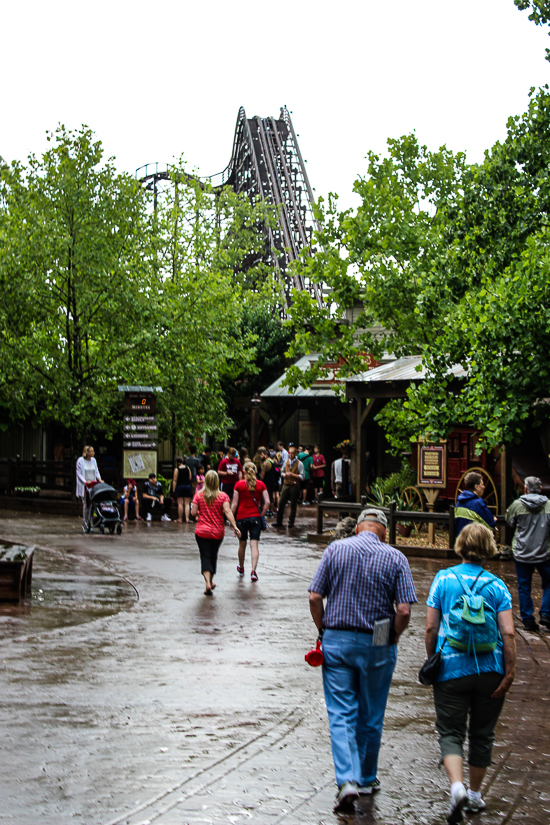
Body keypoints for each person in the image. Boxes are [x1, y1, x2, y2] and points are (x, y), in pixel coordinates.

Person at [309, 508, 417, 813]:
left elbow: (315, 598)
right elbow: (405, 611)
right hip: (378, 640)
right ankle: (367, 777)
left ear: (357, 529)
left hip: (338, 638)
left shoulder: (335, 549)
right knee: (372, 711)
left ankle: (347, 780)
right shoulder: (396, 557)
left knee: (341, 712)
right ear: (384, 532)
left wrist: (322, 628)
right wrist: (393, 636)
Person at [425, 523, 516, 823]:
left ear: (461, 545)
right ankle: (476, 795)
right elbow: (509, 633)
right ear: (489, 548)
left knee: (451, 731)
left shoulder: (442, 579)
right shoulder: (498, 586)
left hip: (450, 668)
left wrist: (433, 660)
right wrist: (510, 671)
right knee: (482, 733)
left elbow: (430, 627)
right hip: (490, 668)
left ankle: (456, 787)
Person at [505, 475, 550, 631]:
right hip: (544, 552)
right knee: (549, 584)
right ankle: (546, 613)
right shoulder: (549, 505)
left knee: (524, 587)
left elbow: (509, 521)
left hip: (522, 553)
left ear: (525, 489)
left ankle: (528, 620)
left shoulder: (517, 505)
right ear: (541, 489)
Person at [191, 470, 241, 596]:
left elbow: (193, 512)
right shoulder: (223, 496)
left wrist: (199, 513)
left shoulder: (198, 495)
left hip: (201, 531)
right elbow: (227, 511)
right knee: (213, 555)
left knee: (205, 556)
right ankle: (211, 581)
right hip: (217, 532)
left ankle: (207, 582)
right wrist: (235, 526)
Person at [231, 462, 269, 582]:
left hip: (241, 517)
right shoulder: (261, 484)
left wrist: (231, 519)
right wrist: (261, 514)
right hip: (255, 518)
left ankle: (241, 568)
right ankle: (253, 571)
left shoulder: (238, 485)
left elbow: (235, 503)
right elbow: (267, 502)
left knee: (242, 544)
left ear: (244, 471)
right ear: (255, 471)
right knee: (254, 545)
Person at [455, 471, 497, 536]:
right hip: (474, 542)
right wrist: (493, 520)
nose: (484, 487)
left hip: (461, 542)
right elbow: (490, 524)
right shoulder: (478, 503)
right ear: (476, 487)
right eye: (482, 484)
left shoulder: (459, 503)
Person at [275, 445, 305, 529]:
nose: (291, 455)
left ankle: (291, 522)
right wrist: (283, 474)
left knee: (293, 504)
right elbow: (282, 471)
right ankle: (279, 521)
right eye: (289, 453)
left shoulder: (299, 463)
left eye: (292, 453)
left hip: (295, 485)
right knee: (281, 502)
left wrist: (292, 475)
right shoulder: (286, 461)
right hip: (286, 484)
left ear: (296, 453)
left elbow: (302, 477)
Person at [75, 445, 102, 527]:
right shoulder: (80, 460)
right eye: (92, 451)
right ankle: (86, 522)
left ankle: (93, 520)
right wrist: (85, 481)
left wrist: (99, 479)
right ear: (87, 452)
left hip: (93, 484)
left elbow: (96, 471)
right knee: (86, 504)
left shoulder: (93, 460)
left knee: (93, 504)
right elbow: (78, 473)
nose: (93, 453)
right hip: (85, 485)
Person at [172, 456, 193, 523]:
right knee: (187, 504)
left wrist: (173, 489)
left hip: (179, 486)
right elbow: (190, 478)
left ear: (177, 462)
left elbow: (175, 480)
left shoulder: (177, 469)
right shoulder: (187, 468)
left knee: (180, 503)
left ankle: (180, 519)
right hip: (187, 486)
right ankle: (187, 518)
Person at [260, 449, 279, 517]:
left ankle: (264, 512)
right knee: (271, 497)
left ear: (265, 455)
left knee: (264, 498)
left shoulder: (266, 463)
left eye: (261, 455)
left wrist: (260, 481)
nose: (260, 456)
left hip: (266, 482)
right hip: (272, 481)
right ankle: (271, 511)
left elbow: (262, 475)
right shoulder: (273, 461)